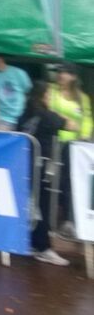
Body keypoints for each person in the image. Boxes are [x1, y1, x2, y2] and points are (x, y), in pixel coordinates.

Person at [17, 81, 75, 266]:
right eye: (48, 94)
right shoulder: (47, 115)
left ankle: (34, 243)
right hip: (42, 166)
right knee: (43, 205)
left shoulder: (24, 116)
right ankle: (43, 248)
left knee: (32, 206)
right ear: (43, 96)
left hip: (25, 165)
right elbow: (72, 125)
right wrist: (63, 115)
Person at [47, 63, 92, 237]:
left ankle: (68, 220)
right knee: (52, 181)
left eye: (64, 72)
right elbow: (50, 114)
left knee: (70, 182)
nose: (60, 75)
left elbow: (87, 119)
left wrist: (84, 136)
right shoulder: (52, 91)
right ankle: (50, 221)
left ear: (73, 76)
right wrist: (66, 123)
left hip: (74, 145)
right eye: (59, 72)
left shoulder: (82, 97)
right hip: (55, 141)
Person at [0, 54, 32, 130]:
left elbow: (28, 91)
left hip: (20, 119)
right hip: (1, 119)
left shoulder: (19, 73)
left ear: (0, 58)